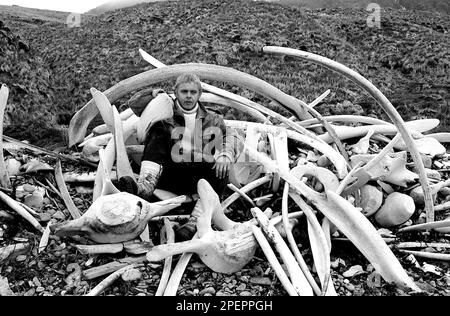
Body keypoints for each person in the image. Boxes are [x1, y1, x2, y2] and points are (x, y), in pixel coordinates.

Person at [118, 73, 243, 240]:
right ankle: (143, 189)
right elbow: (134, 105)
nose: (189, 96)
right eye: (184, 91)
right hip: (167, 174)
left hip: (198, 181)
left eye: (193, 92)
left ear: (199, 94)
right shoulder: (164, 113)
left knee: (220, 166)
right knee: (160, 131)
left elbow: (234, 137)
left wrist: (226, 154)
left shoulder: (213, 119)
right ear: (175, 92)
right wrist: (154, 95)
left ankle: (195, 222)